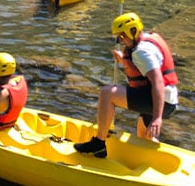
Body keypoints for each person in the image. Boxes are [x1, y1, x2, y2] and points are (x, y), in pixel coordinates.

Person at [74, 12, 179, 158]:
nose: (121, 40)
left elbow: (158, 82)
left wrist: (157, 117)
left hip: (160, 101)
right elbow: (145, 71)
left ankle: (98, 144)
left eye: (122, 36)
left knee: (107, 93)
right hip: (169, 100)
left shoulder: (142, 52)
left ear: (133, 31)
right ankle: (158, 159)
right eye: (119, 37)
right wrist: (125, 61)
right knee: (144, 135)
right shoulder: (148, 40)